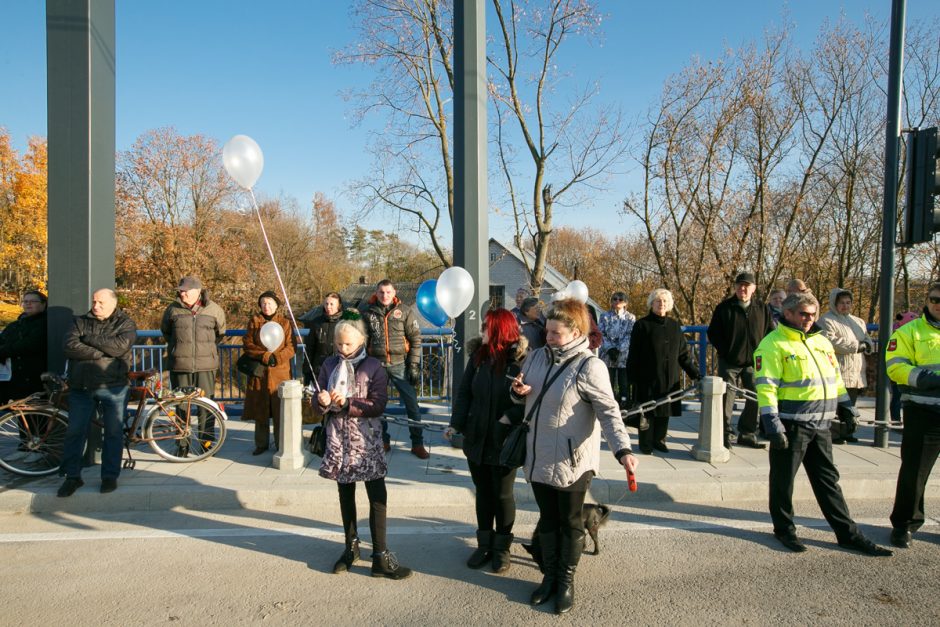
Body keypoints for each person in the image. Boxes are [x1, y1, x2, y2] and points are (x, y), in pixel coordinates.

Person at [510, 298, 637, 615]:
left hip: (572, 461)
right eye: (548, 331)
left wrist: (623, 450)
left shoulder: (590, 366)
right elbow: (521, 392)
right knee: (548, 521)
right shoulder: (536, 357)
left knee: (570, 523)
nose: (549, 337)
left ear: (576, 331)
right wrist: (517, 392)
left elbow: (609, 412)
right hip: (538, 456)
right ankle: (549, 578)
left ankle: (566, 582)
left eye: (556, 333)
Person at [754, 292, 891, 556]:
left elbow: (835, 379)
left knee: (828, 481)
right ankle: (784, 530)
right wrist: (772, 425)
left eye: (812, 314)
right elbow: (766, 388)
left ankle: (847, 534)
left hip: (821, 425)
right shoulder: (772, 344)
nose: (808, 319)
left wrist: (847, 408)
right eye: (803, 314)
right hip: (791, 425)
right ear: (788, 313)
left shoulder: (821, 342)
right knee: (783, 482)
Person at [315, 315, 412, 579]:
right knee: (345, 495)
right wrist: (322, 399)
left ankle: (380, 555)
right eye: (338, 344)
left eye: (347, 344)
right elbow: (317, 403)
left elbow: (378, 404)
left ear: (361, 341)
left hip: (367, 440)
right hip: (339, 441)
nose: (342, 349)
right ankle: (351, 547)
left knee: (377, 496)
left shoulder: (374, 366)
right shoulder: (329, 364)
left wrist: (347, 403)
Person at [448, 309, 528, 574]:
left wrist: (509, 417)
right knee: (482, 492)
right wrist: (456, 423)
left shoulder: (522, 361)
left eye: (486, 327)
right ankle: (484, 543)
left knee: (502, 494)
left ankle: (502, 548)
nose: (481, 330)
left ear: (500, 330)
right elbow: (464, 394)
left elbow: (531, 400)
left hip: (504, 441)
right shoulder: (479, 357)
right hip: (477, 437)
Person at [57, 289, 138, 497]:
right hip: (81, 387)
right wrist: (101, 353)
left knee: (113, 433)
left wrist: (89, 339)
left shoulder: (125, 323)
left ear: (113, 303)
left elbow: (119, 348)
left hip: (114, 387)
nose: (96, 306)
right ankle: (72, 477)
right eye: (94, 301)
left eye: (101, 302)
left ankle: (109, 476)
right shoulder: (79, 322)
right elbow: (69, 346)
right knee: (75, 432)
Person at [885, 283, 940, 549]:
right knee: (914, 473)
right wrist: (928, 379)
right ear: (927, 301)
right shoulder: (910, 331)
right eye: (935, 299)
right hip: (923, 412)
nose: (939, 303)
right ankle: (904, 525)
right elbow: (895, 367)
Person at [626, 289, 701, 454]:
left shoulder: (674, 326)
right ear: (651, 303)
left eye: (665, 302)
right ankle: (645, 443)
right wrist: (632, 377)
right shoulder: (642, 325)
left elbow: (683, 355)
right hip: (647, 377)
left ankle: (659, 440)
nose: (661, 304)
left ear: (669, 305)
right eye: (658, 301)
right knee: (647, 411)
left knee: (664, 411)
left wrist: (695, 373)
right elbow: (634, 354)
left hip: (669, 377)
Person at [707, 272, 774, 449]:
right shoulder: (724, 308)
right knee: (726, 398)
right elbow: (713, 333)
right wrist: (725, 351)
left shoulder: (761, 308)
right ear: (735, 287)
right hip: (729, 361)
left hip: (754, 362)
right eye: (739, 285)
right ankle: (724, 434)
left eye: (746, 286)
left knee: (755, 396)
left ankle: (747, 432)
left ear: (753, 288)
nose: (742, 289)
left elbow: (770, 333)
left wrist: (763, 353)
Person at [362, 279, 426, 458]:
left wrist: (413, 364)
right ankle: (383, 440)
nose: (385, 295)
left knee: (412, 404)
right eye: (381, 292)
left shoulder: (405, 311)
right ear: (376, 292)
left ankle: (417, 443)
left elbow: (415, 339)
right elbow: (362, 340)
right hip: (376, 365)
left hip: (400, 364)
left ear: (394, 292)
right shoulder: (368, 313)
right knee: (377, 405)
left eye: (388, 292)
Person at [160, 276, 226, 447]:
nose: (182, 294)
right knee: (181, 406)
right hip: (180, 365)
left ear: (198, 291)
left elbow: (220, 333)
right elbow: (166, 332)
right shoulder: (172, 310)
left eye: (185, 291)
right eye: (180, 291)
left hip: (206, 366)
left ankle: (206, 443)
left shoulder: (214, 309)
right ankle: (182, 444)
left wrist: (205, 350)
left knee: (206, 406)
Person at [242, 291, 296, 455]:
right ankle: (261, 443)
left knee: (281, 409)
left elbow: (291, 346)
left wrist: (277, 358)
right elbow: (248, 344)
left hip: (280, 372)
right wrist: (265, 356)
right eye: (264, 303)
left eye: (270, 303)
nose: (266, 306)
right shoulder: (254, 321)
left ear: (276, 305)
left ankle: (281, 444)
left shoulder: (285, 323)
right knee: (261, 408)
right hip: (261, 371)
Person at [818, 288, 873, 444]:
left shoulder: (858, 321)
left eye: (848, 302)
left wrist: (866, 345)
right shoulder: (826, 320)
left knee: (851, 405)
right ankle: (834, 434)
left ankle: (849, 431)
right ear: (835, 303)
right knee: (835, 405)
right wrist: (857, 346)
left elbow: (867, 339)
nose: (845, 306)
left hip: (856, 370)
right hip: (838, 368)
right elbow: (832, 342)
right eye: (842, 303)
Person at [0, 290, 48, 405]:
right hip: (11, 377)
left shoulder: (46, 323)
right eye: (25, 301)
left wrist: (3, 351)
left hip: (32, 377)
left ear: (43, 304)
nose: (28, 304)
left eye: (33, 301)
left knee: (32, 416)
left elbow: (29, 345)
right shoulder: (15, 325)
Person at [598, 291, 636, 408]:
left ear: (625, 303)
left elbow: (629, 335)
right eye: (614, 299)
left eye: (620, 299)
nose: (617, 301)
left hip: (623, 355)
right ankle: (609, 403)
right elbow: (601, 333)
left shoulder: (630, 318)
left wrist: (619, 349)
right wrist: (610, 349)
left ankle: (624, 402)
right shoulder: (604, 316)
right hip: (607, 355)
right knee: (608, 380)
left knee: (623, 382)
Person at [301, 292, 343, 384]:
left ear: (338, 306)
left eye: (332, 304)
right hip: (319, 368)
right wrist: (307, 370)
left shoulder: (344, 322)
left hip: (339, 367)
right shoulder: (316, 323)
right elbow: (310, 347)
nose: (328, 307)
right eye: (326, 304)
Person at [889, 311, 919, 425]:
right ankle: (896, 421)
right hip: (900, 372)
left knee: (904, 398)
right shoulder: (899, 335)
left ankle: (903, 421)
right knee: (898, 397)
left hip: (909, 371)